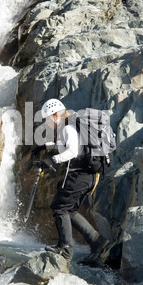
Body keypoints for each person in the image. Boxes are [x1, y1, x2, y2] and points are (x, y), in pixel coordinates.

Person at [34, 98, 108, 263]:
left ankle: (65, 249)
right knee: (70, 210)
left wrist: (52, 160)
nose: (45, 123)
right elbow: (67, 145)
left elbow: (73, 152)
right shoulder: (69, 126)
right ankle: (97, 242)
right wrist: (45, 147)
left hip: (79, 176)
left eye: (46, 119)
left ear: (55, 115)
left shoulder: (67, 128)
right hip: (87, 177)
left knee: (60, 208)